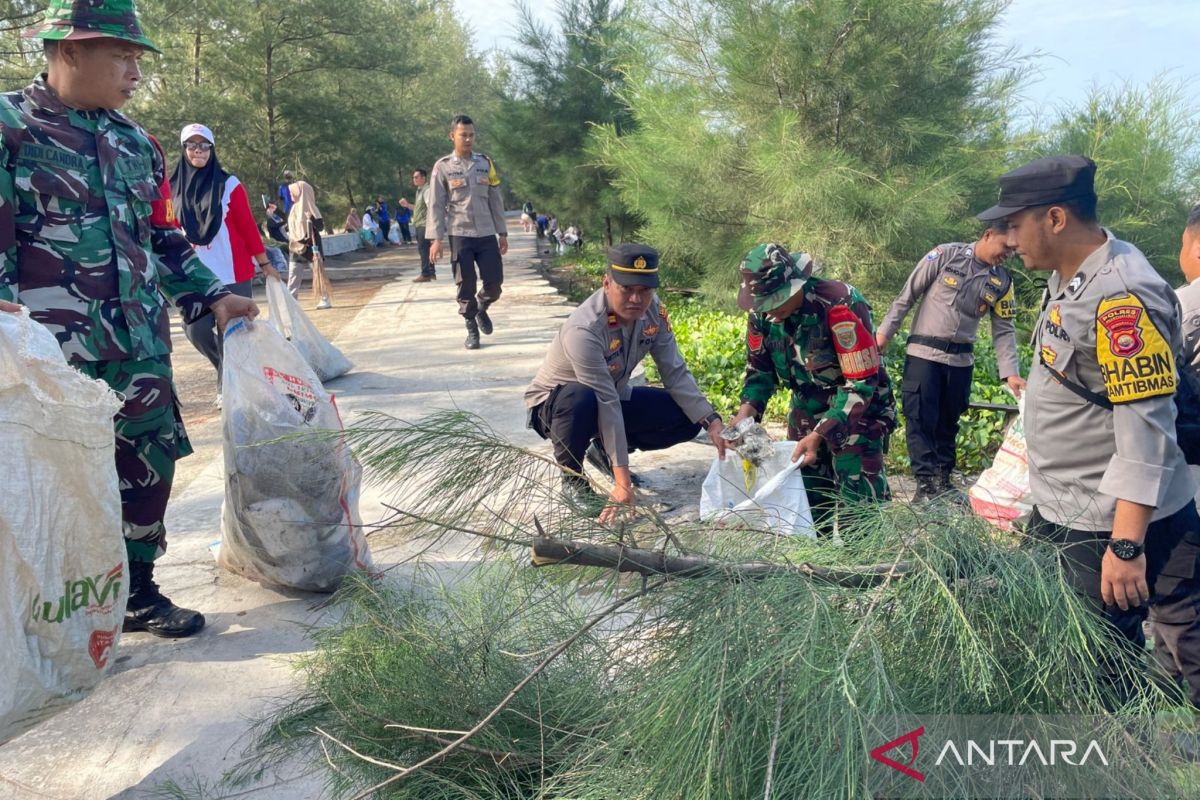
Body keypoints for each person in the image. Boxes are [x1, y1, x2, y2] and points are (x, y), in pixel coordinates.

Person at [0, 0, 258, 638]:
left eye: (136, 58)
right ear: (69, 51)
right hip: (46, 354)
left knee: (149, 462)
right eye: (120, 56)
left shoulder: (135, 141)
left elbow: (163, 238)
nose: (134, 72)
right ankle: (48, 612)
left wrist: (212, 295)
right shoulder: (10, 127)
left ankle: (137, 590)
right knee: (50, 482)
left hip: (138, 341)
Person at [979, 154, 1200, 708]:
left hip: (1105, 518)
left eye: (1014, 223)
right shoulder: (1070, 274)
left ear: (1055, 218)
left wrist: (1125, 546)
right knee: (1070, 646)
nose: (1006, 238)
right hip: (1066, 503)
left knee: (1101, 662)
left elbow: (1146, 431)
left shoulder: (1121, 295)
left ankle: (1116, 765)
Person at [525, 244, 727, 523]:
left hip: (612, 397)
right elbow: (604, 401)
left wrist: (712, 421)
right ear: (607, 283)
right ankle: (572, 478)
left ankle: (605, 453)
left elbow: (675, 371)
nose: (636, 298)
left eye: (645, 290)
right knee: (581, 398)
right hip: (558, 407)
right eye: (627, 288)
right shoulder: (584, 329)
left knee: (687, 417)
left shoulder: (653, 312)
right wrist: (623, 483)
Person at [726, 244, 897, 537]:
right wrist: (745, 416)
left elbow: (860, 385)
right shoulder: (762, 315)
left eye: (775, 301)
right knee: (806, 507)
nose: (770, 310)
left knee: (860, 510)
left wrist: (820, 434)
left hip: (858, 415)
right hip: (806, 410)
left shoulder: (840, 304)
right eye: (763, 303)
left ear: (797, 286)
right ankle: (817, 573)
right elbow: (759, 371)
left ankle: (864, 574)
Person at [876, 223, 1026, 501]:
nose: (1008, 255)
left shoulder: (1002, 282)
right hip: (924, 355)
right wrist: (882, 337)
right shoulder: (945, 256)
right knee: (920, 418)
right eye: (1006, 247)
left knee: (949, 421)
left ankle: (943, 481)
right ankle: (925, 485)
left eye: (1014, 251)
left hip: (960, 362)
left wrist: (1011, 374)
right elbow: (906, 297)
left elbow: (1004, 328)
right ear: (989, 234)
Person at [171, 123, 281, 404]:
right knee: (194, 329)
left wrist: (265, 263)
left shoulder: (228, 184)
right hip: (193, 273)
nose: (198, 150)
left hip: (231, 271)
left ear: (212, 149)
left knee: (230, 333)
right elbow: (167, 228)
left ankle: (226, 388)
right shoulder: (171, 188)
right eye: (192, 145)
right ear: (184, 149)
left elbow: (247, 228)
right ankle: (228, 370)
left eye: (204, 145)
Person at [427, 114, 509, 349]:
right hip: (459, 233)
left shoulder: (485, 163)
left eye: (472, 135)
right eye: (463, 135)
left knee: (495, 282)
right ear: (452, 136)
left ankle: (482, 306)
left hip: (486, 233)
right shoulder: (442, 167)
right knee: (466, 285)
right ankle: (472, 328)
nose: (468, 139)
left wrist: (502, 233)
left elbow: (495, 198)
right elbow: (435, 204)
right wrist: (436, 239)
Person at [285, 173, 330, 308]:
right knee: (293, 276)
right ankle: (291, 303)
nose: (291, 195)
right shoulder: (293, 209)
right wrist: (275, 212)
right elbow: (289, 227)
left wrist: (311, 219)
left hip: (312, 249)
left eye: (293, 192)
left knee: (318, 274)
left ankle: (324, 298)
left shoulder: (311, 208)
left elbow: (320, 227)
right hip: (296, 247)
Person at [401, 167, 436, 282]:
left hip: (424, 225)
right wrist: (407, 205)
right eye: (413, 177)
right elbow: (418, 209)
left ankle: (425, 274)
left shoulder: (426, 190)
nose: (414, 179)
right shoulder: (419, 191)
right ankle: (431, 273)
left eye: (416, 177)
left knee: (423, 250)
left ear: (423, 178)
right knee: (427, 249)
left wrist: (432, 224)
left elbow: (430, 207)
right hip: (421, 223)